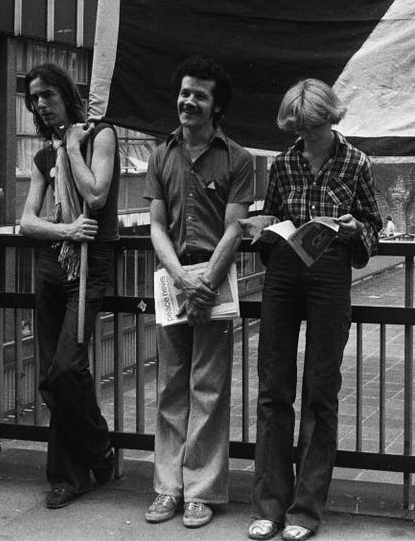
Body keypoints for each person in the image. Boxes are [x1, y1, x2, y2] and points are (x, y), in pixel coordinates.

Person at [245, 79, 382, 541]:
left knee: (321, 390)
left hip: (330, 270)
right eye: (300, 129)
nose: (307, 137)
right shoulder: (283, 163)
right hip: (284, 270)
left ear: (331, 119)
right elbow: (271, 214)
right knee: (273, 386)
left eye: (314, 127)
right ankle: (269, 506)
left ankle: (305, 510)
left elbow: (373, 228)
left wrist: (352, 228)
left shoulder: (357, 162)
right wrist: (267, 229)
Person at [143, 57, 253, 529]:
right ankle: (168, 488)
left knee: (208, 387)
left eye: (199, 95)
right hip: (174, 280)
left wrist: (205, 281)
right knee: (170, 385)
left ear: (217, 106)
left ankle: (201, 492)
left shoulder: (239, 158)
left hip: (216, 279)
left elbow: (236, 227)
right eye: (185, 92)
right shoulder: (160, 154)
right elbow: (154, 223)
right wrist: (181, 277)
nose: (188, 101)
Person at [19, 63, 118, 509]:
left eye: (48, 95)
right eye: (35, 98)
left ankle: (78, 469)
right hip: (53, 263)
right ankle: (88, 460)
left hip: (90, 262)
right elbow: (27, 221)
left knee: (65, 370)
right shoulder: (43, 156)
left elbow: (95, 196)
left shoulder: (100, 136)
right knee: (51, 377)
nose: (42, 104)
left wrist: (74, 148)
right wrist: (63, 232)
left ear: (66, 94)